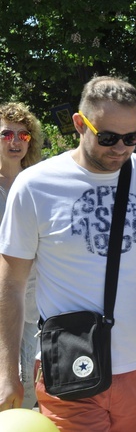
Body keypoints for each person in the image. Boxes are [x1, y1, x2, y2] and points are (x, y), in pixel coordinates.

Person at [0, 76, 136, 429]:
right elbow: (10, 283)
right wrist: (7, 370)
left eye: (132, 138)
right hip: (69, 362)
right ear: (79, 124)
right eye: (108, 138)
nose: (121, 148)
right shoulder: (36, 185)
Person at [0, 103, 42, 409]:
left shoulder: (39, 184)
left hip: (35, 301)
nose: (15, 141)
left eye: (23, 135)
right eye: (6, 133)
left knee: (28, 381)